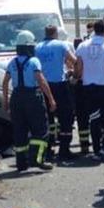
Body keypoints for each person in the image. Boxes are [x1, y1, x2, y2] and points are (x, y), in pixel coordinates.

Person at [2, 31, 56, 171]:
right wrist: (50, 99)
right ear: (29, 46)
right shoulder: (34, 61)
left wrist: (6, 101)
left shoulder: (12, 63)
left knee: (19, 130)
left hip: (16, 98)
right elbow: (41, 81)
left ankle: (21, 163)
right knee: (40, 129)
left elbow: (5, 82)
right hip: (32, 97)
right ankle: (37, 159)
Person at [74, 20, 104, 158]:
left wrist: (76, 77)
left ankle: (96, 149)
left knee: (94, 118)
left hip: (88, 87)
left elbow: (78, 69)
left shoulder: (82, 46)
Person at [35, 25, 77, 160]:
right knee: (66, 117)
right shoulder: (60, 45)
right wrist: (75, 75)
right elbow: (74, 60)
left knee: (47, 118)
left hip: (44, 86)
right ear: (55, 33)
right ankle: (64, 150)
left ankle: (47, 149)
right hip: (59, 85)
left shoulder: (37, 47)